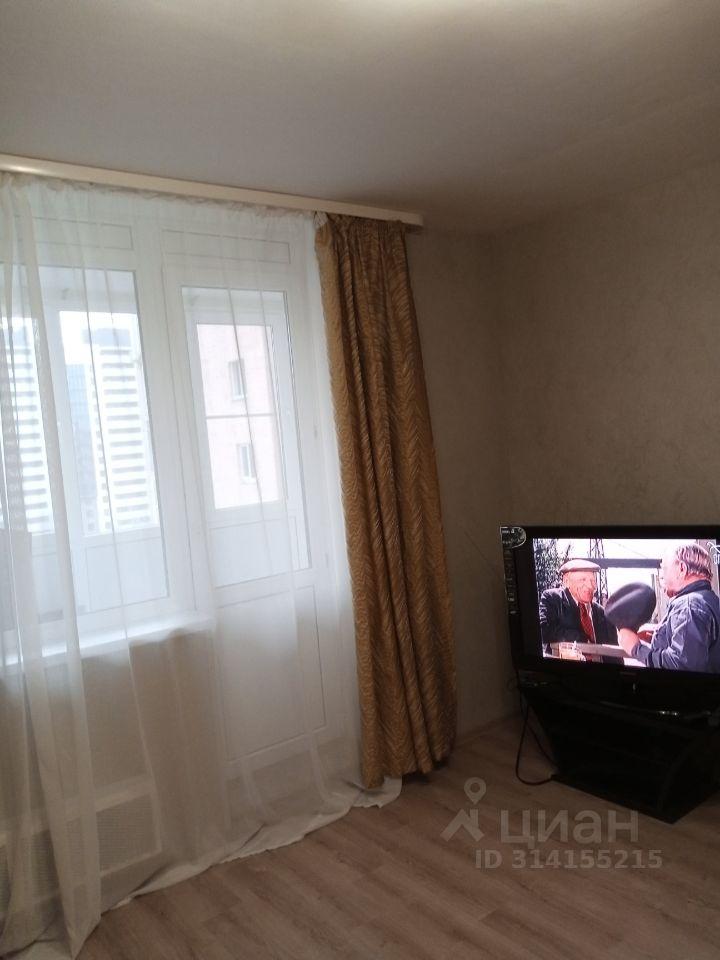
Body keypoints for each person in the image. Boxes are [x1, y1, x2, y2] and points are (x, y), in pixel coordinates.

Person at [617, 543, 720, 672]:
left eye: (664, 568)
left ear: (682, 569)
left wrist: (636, 648)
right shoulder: (709, 599)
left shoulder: (689, 606)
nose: (663, 576)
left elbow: (681, 665)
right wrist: (661, 635)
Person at [539, 558, 618, 659]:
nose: (590, 586)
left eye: (593, 580)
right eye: (583, 580)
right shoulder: (553, 599)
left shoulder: (603, 613)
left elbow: (615, 654)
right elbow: (544, 630)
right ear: (566, 581)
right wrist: (582, 639)